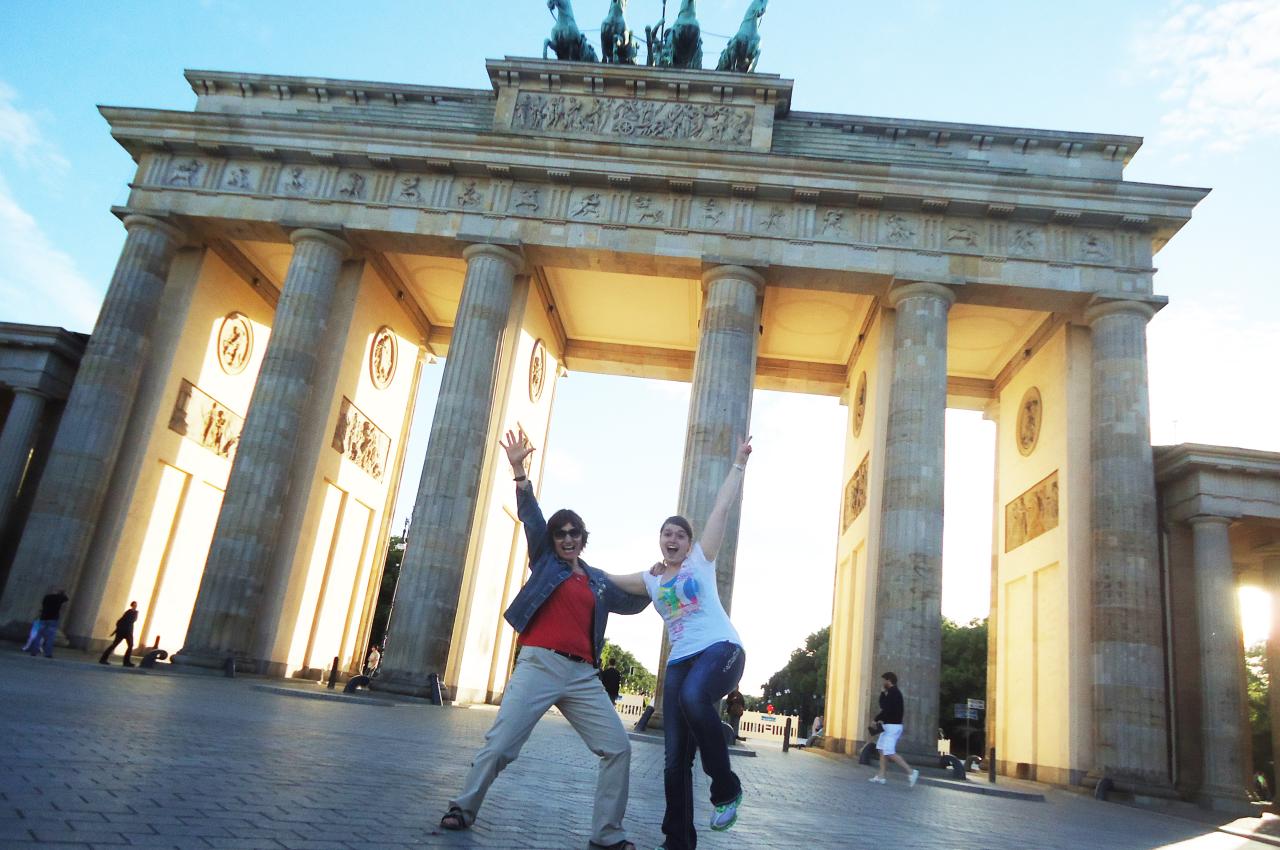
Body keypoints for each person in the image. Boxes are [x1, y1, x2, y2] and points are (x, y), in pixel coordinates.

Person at [439, 429, 650, 850]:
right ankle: (463, 807)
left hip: (582, 677)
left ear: (584, 539)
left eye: (575, 533)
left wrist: (664, 578)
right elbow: (532, 518)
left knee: (618, 749)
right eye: (561, 534)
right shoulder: (546, 561)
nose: (568, 538)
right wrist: (519, 471)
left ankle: (607, 835)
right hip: (539, 664)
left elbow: (634, 603)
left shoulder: (597, 582)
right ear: (553, 541)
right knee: (501, 745)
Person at [612, 437, 753, 849]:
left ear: (689, 543)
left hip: (721, 650)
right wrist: (572, 561)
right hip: (679, 663)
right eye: (666, 534)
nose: (672, 539)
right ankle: (677, 841)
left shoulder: (700, 560)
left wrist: (739, 464)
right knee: (674, 760)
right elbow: (607, 579)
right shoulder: (652, 578)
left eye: (679, 534)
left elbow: (721, 509)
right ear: (660, 541)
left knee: (695, 698)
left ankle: (725, 788)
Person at [869, 672, 919, 787]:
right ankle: (881, 776)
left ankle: (911, 772)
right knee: (881, 749)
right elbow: (884, 706)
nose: (883, 683)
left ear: (889, 681)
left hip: (892, 727)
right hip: (889, 726)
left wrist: (876, 719)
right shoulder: (891, 693)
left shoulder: (894, 693)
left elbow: (886, 709)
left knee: (889, 752)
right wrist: (882, 693)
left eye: (884, 680)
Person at [27, 589, 68, 658]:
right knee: (50, 638)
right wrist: (62, 593)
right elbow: (66, 598)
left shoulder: (47, 597)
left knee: (38, 636)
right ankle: (48, 653)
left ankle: (34, 651)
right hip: (53, 619)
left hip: (43, 618)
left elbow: (43, 604)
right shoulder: (59, 598)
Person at [98, 601, 139, 666]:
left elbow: (121, 621)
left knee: (118, 645)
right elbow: (132, 620)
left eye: (136, 605)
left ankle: (103, 659)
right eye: (134, 605)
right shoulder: (132, 612)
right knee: (127, 645)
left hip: (123, 631)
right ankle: (126, 662)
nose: (135, 606)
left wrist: (118, 629)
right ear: (132, 605)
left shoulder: (129, 612)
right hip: (126, 631)